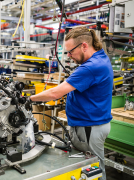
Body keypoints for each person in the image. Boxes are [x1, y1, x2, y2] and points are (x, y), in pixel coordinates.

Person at [29, 27, 112, 180]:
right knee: (87, 167)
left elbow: (55, 93)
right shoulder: (100, 57)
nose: (69, 56)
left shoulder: (91, 67)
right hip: (90, 125)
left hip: (89, 128)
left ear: (84, 46)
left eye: (71, 51)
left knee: (92, 171)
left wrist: (28, 99)